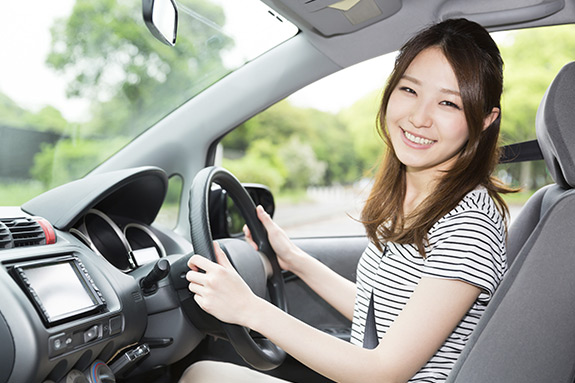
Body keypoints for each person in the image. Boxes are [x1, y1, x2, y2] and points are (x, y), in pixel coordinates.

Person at [181, 18, 515, 383]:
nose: (419, 117)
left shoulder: (469, 224)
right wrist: (293, 259)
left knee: (199, 374)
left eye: (448, 103)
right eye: (409, 90)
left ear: (485, 120)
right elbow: (381, 312)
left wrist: (249, 309)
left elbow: (383, 371)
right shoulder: (413, 196)